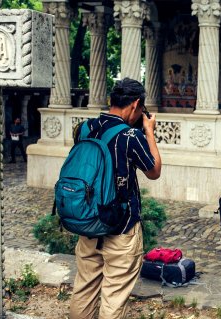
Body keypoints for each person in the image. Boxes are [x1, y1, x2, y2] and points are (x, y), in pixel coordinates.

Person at [69, 78, 162, 318]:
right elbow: (154, 171)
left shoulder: (86, 128)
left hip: (88, 222)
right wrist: (149, 132)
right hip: (121, 227)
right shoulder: (130, 136)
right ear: (136, 105)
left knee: (84, 287)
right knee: (114, 296)